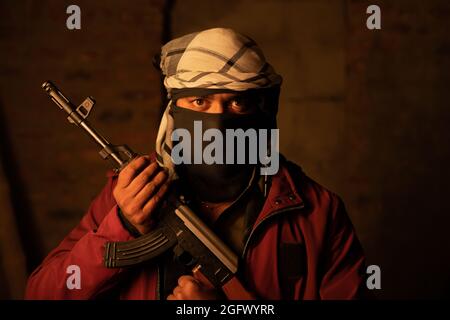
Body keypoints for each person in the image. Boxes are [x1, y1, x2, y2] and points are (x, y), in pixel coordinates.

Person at [25, 27, 367, 300]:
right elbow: (42, 293)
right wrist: (123, 227)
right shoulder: (131, 193)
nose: (217, 121)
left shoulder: (316, 213)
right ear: (174, 113)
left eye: (237, 105)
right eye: (200, 101)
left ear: (260, 114)